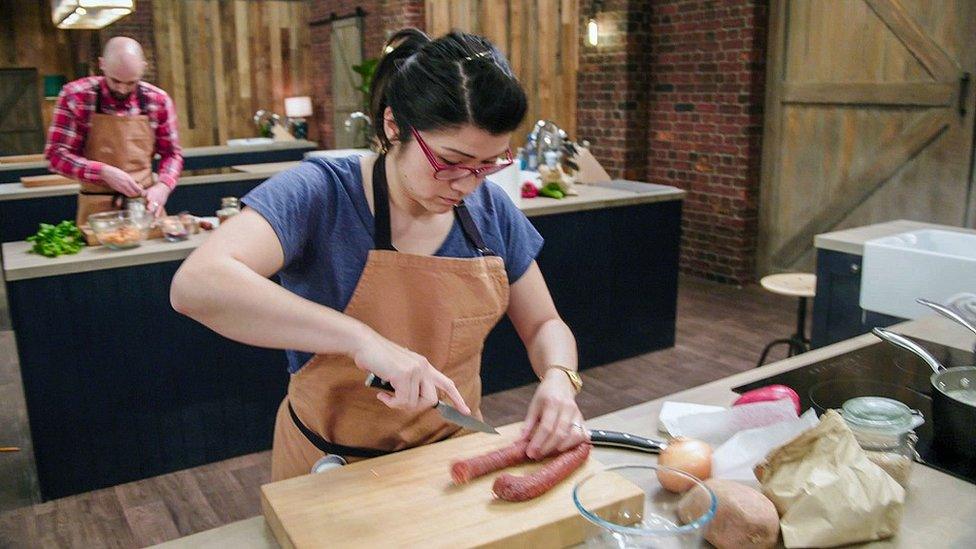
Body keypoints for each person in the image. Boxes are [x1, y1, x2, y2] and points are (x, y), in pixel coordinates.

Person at [170, 28, 587, 481]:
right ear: (394, 125)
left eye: (489, 164)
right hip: (330, 465)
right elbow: (197, 284)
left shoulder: (491, 212)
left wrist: (560, 378)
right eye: (450, 161)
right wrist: (364, 341)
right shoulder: (322, 193)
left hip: (447, 462)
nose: (468, 184)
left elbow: (546, 324)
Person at [45, 36, 183, 224]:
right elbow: (56, 156)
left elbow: (172, 154)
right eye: (115, 81)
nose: (123, 89)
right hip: (96, 211)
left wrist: (163, 186)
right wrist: (102, 172)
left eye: (131, 83)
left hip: (144, 206)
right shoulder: (75, 97)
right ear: (102, 64)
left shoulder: (158, 101)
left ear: (143, 67)